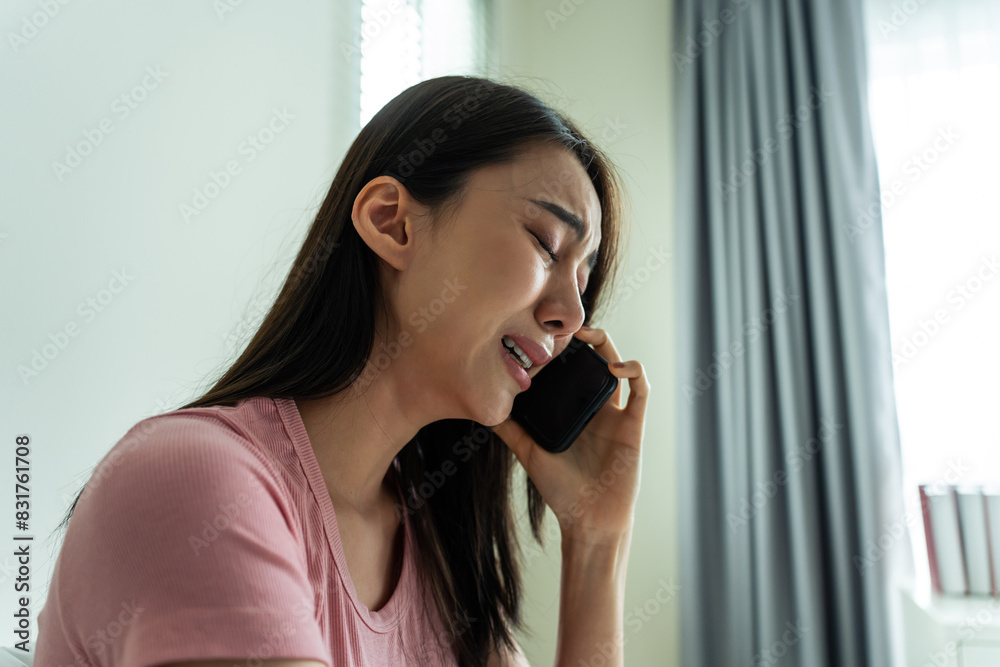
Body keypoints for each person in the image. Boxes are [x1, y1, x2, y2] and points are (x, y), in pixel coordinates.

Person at [34, 74, 649, 667]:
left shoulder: (442, 567)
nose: (570, 313)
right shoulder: (194, 478)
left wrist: (596, 539)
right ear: (392, 222)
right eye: (546, 244)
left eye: (583, 278)